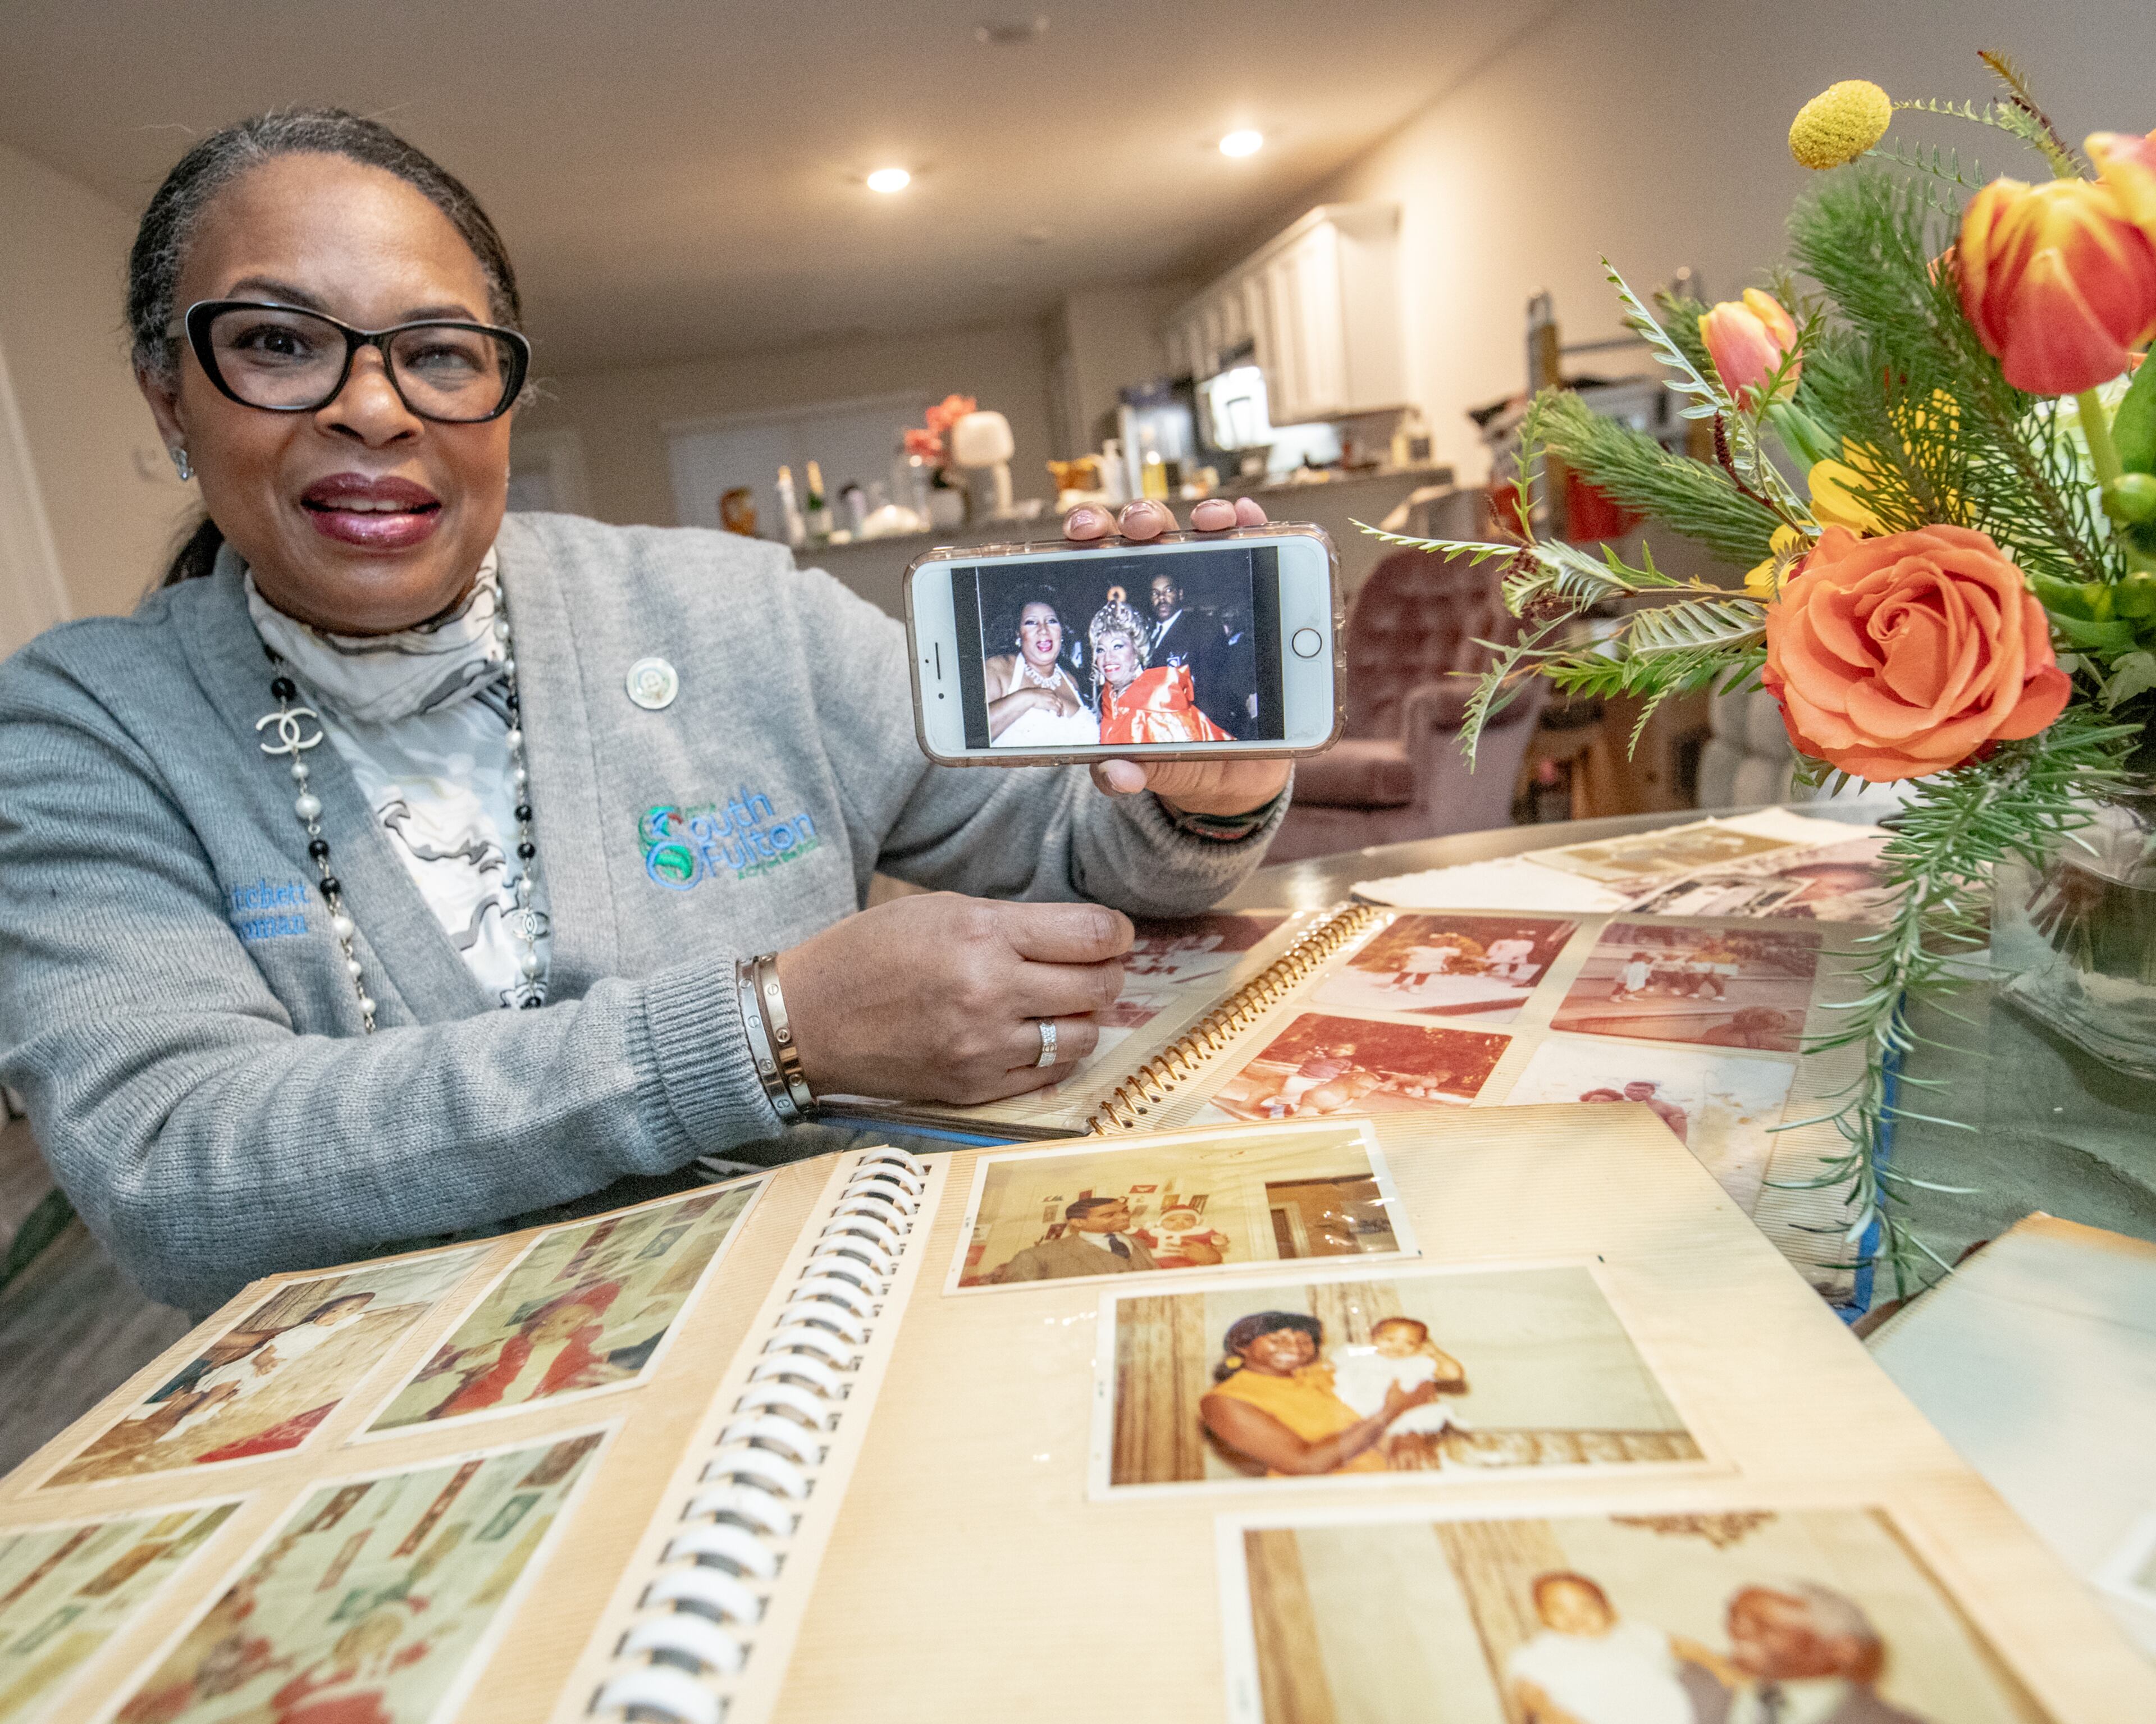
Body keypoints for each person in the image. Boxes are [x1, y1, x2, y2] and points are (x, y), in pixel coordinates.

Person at [0, 111, 1295, 1318]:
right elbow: (174, 1165)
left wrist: (1194, 796)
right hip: (434, 1403)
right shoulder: (91, 728)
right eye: (278, 343)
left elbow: (1068, 852)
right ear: (170, 397)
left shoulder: (741, 614)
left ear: (503, 396)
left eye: (439, 352)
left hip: (826, 1315)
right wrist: (767, 1030)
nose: (374, 406)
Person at [1198, 1310, 1435, 1475]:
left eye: (1304, 1341)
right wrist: (1389, 1413)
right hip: (1335, 1496)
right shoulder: (1225, 1400)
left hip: (1399, 1478)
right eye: (1278, 1340)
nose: (1294, 1348)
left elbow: (1416, 1383)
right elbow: (1308, 1464)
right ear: (1242, 1346)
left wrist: (1408, 1436)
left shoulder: (1325, 1371)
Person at [1680, 1584, 1933, 1724]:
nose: (1737, 1631)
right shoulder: (1682, 1683)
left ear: (1842, 1649)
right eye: (1735, 1616)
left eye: (1764, 1624)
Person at [1505, 1572, 1707, 1724]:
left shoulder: (1631, 1633)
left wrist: (1721, 1668)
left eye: (1586, 1606)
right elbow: (1529, 1693)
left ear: (1606, 1608)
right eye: (1559, 1610)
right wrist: (1552, 1713)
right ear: (1543, 1617)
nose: (1575, 1617)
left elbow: (1681, 1646)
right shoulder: (1543, 1650)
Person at [1090, 600, 1232, 746]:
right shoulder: (1108, 700)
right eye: (1101, 650)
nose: (1108, 658)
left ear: (1137, 651)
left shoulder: (1158, 699)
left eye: (1118, 646)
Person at [1328, 1316, 1467, 1465]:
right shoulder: (1358, 1354)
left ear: (1421, 1346)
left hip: (1400, 1417)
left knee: (1393, 1455)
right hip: (1356, 1412)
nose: (1398, 1347)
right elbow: (1328, 1370)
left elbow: (1454, 1374)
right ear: (1373, 1338)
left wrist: (1434, 1352)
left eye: (1410, 1343)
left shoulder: (1415, 1363)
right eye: (1389, 1339)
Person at [981, 595, 1098, 747]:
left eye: (1051, 621)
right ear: (1018, 634)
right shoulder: (997, 669)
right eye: (1031, 622)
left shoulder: (1072, 680)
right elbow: (972, 736)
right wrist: (1027, 698)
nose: (1043, 630)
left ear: (1061, 633)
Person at [990, 1195, 1158, 1281]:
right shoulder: (1036, 1257)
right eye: (1110, 1215)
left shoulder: (1138, 1243)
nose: (1123, 1217)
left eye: (1125, 1211)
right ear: (1078, 1222)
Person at [1134, 1204, 1227, 1268]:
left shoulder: (1198, 1232)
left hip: (1189, 1262)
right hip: (1160, 1262)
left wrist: (1218, 1240)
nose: (1180, 1222)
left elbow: (1212, 1237)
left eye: (1187, 1219)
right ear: (1162, 1223)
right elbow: (1140, 1237)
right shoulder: (1155, 1232)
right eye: (1172, 1220)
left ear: (1195, 1222)